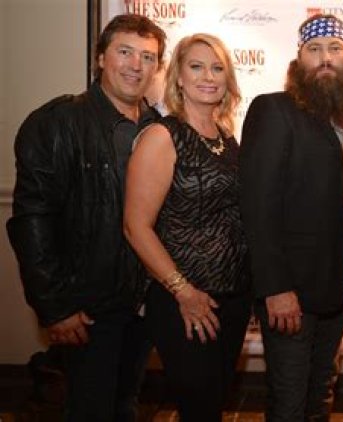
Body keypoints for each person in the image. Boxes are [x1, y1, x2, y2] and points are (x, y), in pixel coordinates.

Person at [6, 14, 165, 421]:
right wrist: (54, 307)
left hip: (144, 303)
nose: (136, 65)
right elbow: (32, 221)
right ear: (100, 58)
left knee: (126, 405)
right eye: (125, 52)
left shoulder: (161, 128)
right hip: (88, 307)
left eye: (148, 57)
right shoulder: (56, 123)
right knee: (90, 410)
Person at [238, 14, 343, 421]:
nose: (325, 58)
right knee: (289, 403)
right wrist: (276, 287)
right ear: (298, 62)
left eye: (335, 49)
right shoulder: (274, 109)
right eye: (314, 49)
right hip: (289, 291)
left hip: (336, 290)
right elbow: (257, 205)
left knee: (320, 396)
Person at [123, 33, 251, 421]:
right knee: (200, 408)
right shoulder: (163, 136)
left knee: (212, 405)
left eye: (217, 68)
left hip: (232, 300)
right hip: (184, 301)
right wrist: (184, 292)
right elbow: (135, 226)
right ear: (178, 76)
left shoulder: (226, 138)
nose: (208, 77)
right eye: (196, 67)